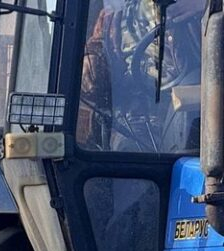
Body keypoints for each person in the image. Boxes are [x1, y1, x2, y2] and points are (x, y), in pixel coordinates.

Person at [78, 0, 202, 152]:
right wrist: (89, 62)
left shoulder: (196, 4)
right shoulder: (113, 14)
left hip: (192, 105)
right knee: (125, 153)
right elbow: (98, 45)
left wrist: (208, 6)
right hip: (134, 115)